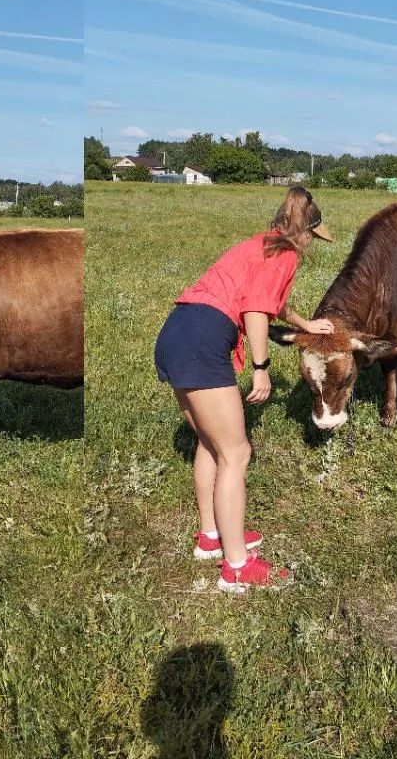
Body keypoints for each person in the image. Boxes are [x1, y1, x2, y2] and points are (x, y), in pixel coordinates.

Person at [153, 185, 335, 593]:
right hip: (202, 341)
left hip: (176, 332)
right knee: (237, 453)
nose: (311, 246)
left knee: (209, 441)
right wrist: (261, 367)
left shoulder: (261, 245)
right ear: (306, 233)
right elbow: (256, 308)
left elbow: (271, 302)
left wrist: (305, 325)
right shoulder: (286, 254)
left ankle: (212, 536)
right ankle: (236, 568)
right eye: (313, 238)